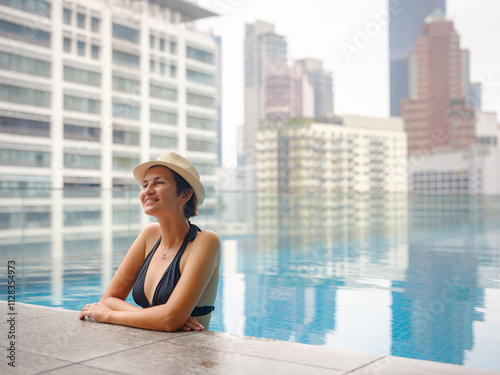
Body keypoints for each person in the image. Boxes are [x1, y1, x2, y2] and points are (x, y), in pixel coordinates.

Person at [78, 151, 221, 332]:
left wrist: (108, 315)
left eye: (159, 183)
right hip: (149, 351)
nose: (147, 190)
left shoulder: (206, 241)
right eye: (145, 185)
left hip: (190, 354)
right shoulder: (150, 235)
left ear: (184, 195)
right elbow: (108, 298)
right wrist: (157, 316)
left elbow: (169, 321)